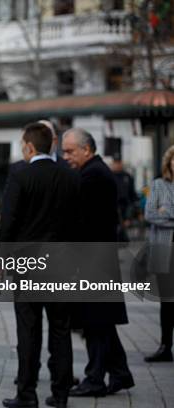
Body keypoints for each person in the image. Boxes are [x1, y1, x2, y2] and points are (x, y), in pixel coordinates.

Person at [0, 123, 80, 408]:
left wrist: (0, 259)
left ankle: (27, 393)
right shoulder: (71, 176)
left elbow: (8, 221)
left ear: (30, 146)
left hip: (27, 265)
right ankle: (61, 394)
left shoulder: (21, 175)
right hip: (62, 264)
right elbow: (78, 224)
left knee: (28, 330)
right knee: (61, 329)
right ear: (51, 145)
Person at [62, 128, 134, 397]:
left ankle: (95, 378)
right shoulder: (95, 171)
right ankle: (120, 372)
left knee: (95, 323)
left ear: (86, 150)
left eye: (70, 151)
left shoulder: (93, 175)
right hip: (97, 260)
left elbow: (83, 222)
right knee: (101, 321)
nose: (65, 156)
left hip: (93, 261)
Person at [144, 145, 174, 363]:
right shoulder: (158, 185)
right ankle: (165, 345)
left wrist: (168, 212)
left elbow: (161, 214)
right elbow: (151, 214)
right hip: (165, 251)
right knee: (167, 300)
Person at [111, 154, 138, 242]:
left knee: (123, 233)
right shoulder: (109, 175)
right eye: (115, 162)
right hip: (113, 207)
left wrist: (129, 217)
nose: (117, 165)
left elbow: (132, 195)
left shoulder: (127, 176)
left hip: (125, 208)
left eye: (119, 162)